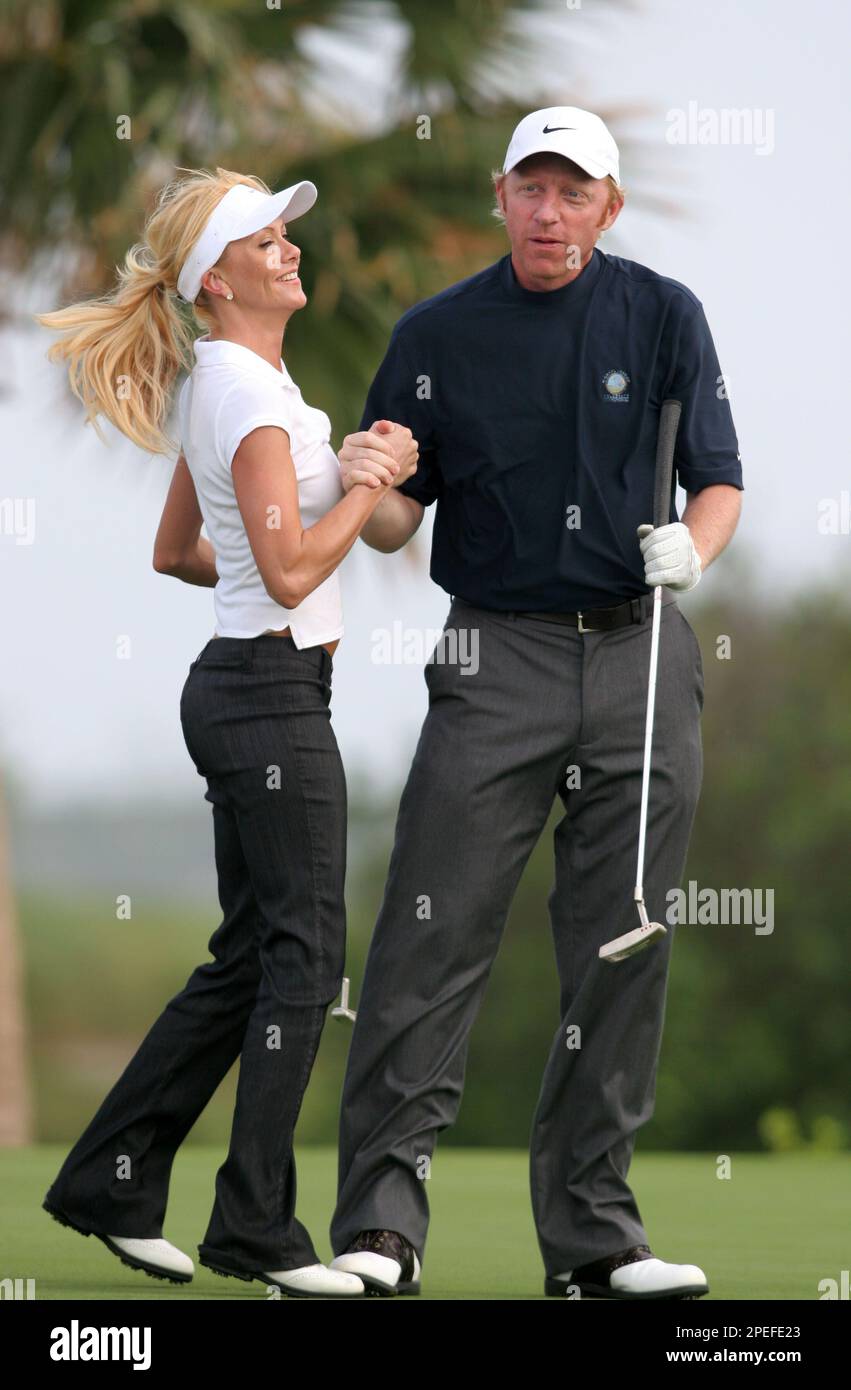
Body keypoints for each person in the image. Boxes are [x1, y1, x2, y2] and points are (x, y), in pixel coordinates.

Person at [328, 107, 743, 1299]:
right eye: (533, 189)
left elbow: (716, 478)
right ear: (499, 195)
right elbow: (406, 515)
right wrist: (376, 487)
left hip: (640, 651)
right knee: (429, 931)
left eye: (575, 193)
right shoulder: (435, 333)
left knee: (621, 941)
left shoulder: (662, 313)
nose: (551, 213)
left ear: (608, 207)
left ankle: (594, 1243)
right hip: (492, 654)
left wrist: (692, 551)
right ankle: (379, 1231)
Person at [35, 166, 416, 1297]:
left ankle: (111, 1179)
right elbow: (296, 568)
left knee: (252, 955)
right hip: (267, 695)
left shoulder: (245, 384)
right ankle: (254, 1226)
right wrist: (358, 490)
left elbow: (183, 551)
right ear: (217, 278)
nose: (291, 248)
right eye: (266, 240)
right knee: (303, 961)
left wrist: (338, 498)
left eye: (285, 233)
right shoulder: (246, 395)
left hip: (245, 685)